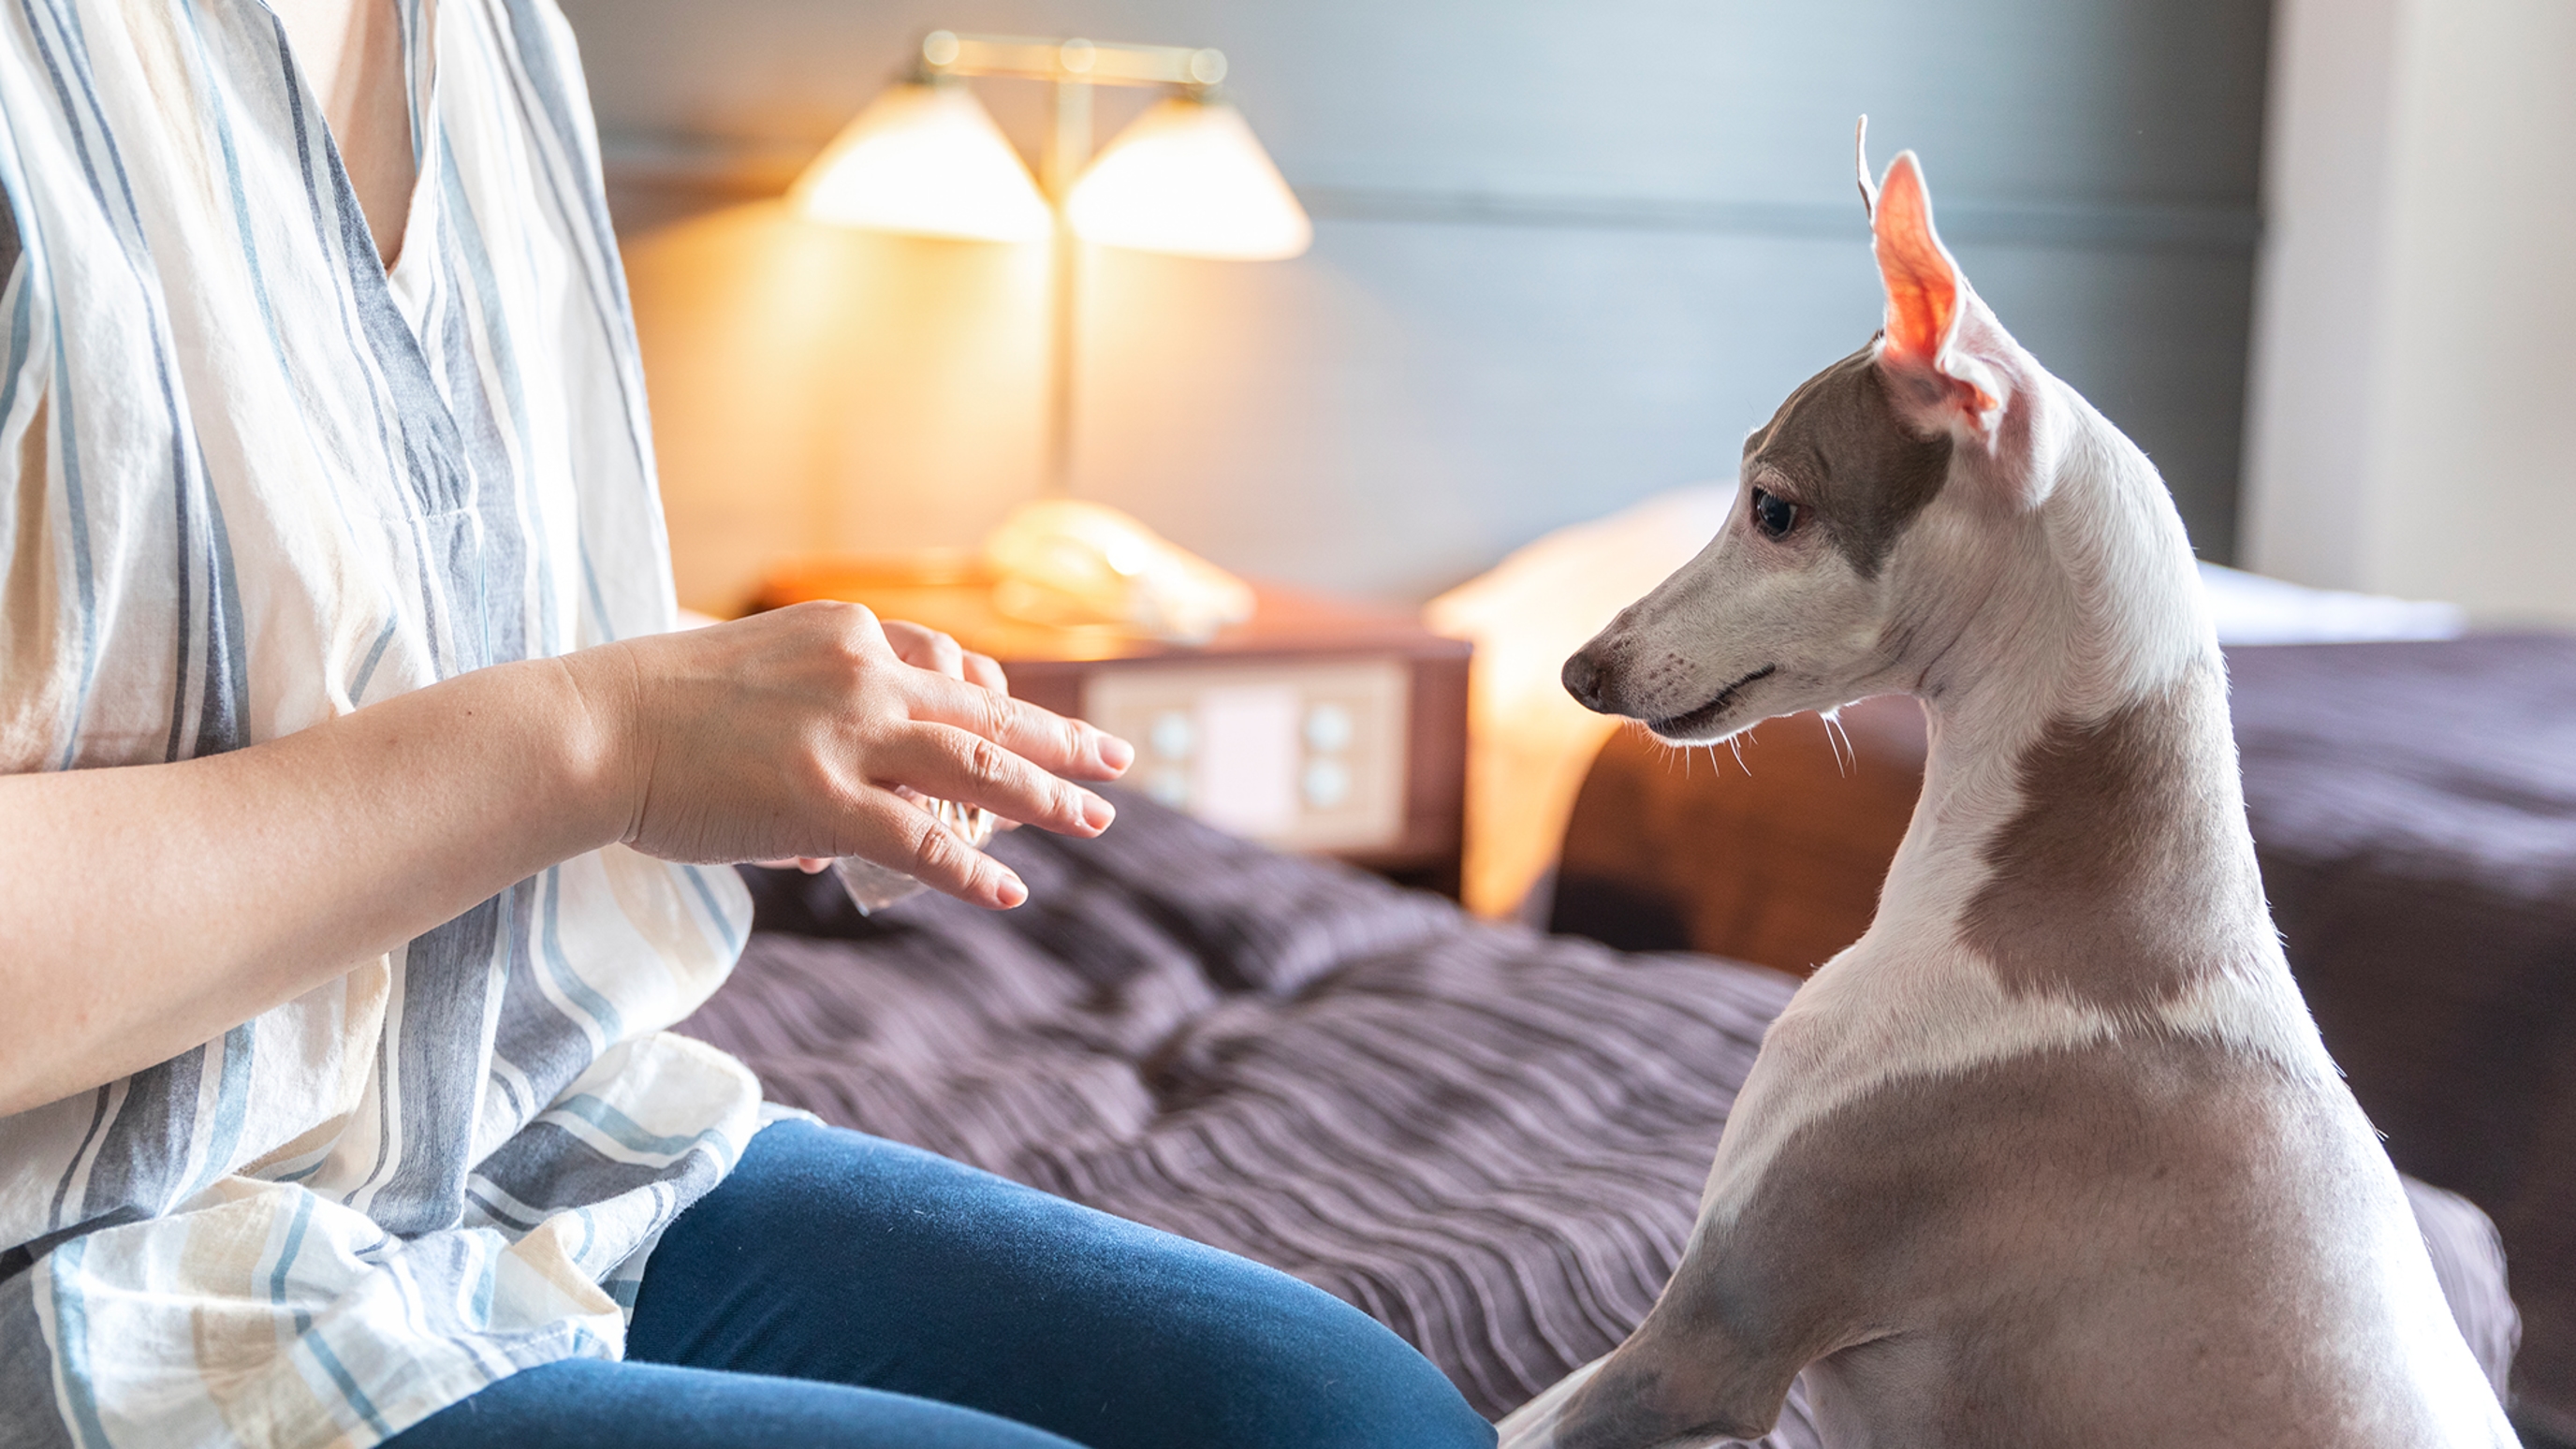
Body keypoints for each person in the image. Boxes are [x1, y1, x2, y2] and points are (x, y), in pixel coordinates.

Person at [0, 2, 1495, 1446]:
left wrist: (755, 716)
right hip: (79, 1245)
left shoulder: (503, 45)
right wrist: (609, 738)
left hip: (528, 1140)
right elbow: (570, 724)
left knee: (1359, 1417)